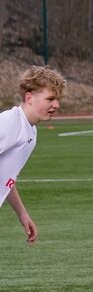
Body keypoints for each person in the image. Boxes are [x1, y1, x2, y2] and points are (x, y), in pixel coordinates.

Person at [2, 66, 63, 248]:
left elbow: (5, 177)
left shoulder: (30, 132)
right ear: (29, 98)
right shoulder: (8, 124)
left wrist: (22, 214)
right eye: (50, 99)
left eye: (58, 100)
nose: (56, 105)